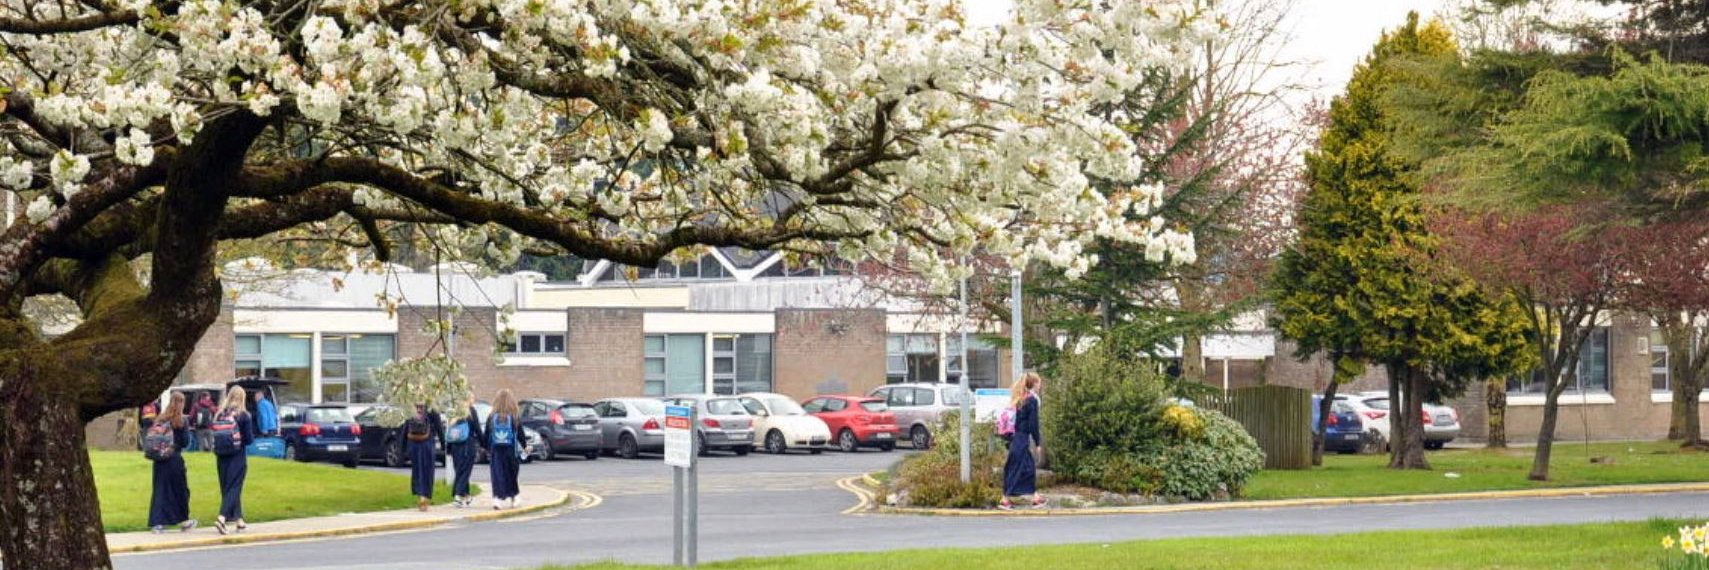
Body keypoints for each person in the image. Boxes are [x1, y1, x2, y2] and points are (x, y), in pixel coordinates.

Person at [147, 392, 197, 534]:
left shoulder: (160, 418)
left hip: (159, 459)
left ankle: (157, 522)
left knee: (160, 490)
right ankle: (183, 519)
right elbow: (185, 442)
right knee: (180, 491)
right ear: (182, 403)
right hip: (174, 458)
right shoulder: (182, 421)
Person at [212, 386, 256, 534]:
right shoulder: (244, 415)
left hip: (221, 456)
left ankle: (239, 521)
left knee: (228, 488)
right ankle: (222, 518)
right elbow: (249, 439)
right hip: (237, 456)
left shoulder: (219, 414)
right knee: (235, 487)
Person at [1001, 372, 1044, 510]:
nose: (1040, 385)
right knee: (1017, 468)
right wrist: (1037, 443)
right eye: (1039, 382)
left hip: (1016, 438)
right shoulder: (1031, 400)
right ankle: (1005, 499)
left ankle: (1034, 497)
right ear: (1034, 384)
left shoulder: (1020, 398)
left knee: (1027, 468)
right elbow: (1033, 424)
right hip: (1022, 438)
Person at [483, 389, 527, 510]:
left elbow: (486, 434)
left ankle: (497, 499)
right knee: (511, 474)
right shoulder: (514, 416)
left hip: (496, 451)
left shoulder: (491, 417)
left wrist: (486, 448)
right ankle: (514, 497)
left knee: (497, 474)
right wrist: (525, 447)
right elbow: (521, 434)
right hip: (511, 450)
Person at [446, 394, 484, 508]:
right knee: (464, 472)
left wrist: (448, 449)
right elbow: (477, 429)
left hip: (455, 447)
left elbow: (449, 432)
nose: (474, 400)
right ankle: (457, 496)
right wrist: (485, 444)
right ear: (468, 399)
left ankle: (466, 496)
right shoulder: (471, 411)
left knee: (460, 471)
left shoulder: (454, 412)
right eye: (472, 397)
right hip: (467, 446)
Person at [405, 404, 445, 511]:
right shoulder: (432, 409)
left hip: (414, 444)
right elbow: (439, 428)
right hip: (427, 444)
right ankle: (424, 498)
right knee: (427, 472)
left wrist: (403, 447)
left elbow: (405, 428)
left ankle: (420, 496)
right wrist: (444, 446)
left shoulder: (412, 408)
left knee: (417, 471)